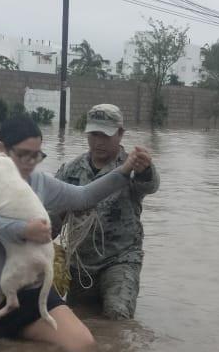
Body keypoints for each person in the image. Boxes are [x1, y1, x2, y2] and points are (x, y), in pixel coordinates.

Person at [0, 115, 151, 351]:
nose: (30, 163)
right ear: (1, 149)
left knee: (84, 346)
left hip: (32, 296)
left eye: (36, 155)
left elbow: (83, 196)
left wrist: (124, 171)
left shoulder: (39, 181)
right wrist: (23, 230)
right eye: (23, 155)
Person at [55, 104, 159, 320]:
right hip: (80, 263)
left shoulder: (133, 166)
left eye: (105, 135)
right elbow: (50, 218)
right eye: (94, 134)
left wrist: (146, 169)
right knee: (76, 318)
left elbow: (149, 185)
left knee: (117, 315)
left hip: (120, 259)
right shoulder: (71, 170)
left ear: (120, 134)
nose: (99, 142)